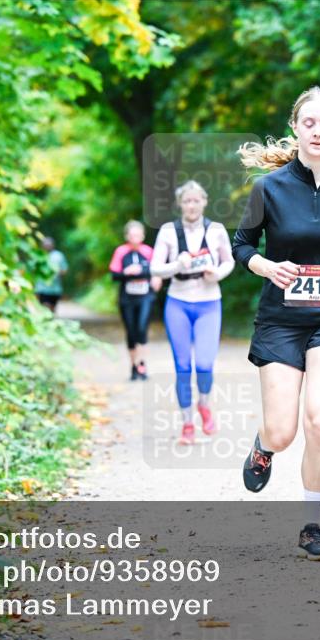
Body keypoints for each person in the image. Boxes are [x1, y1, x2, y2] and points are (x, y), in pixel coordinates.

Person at [232, 86, 320, 561]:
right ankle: (264, 445)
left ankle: (312, 525)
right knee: (284, 431)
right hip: (280, 321)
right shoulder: (267, 189)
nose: (317, 131)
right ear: (296, 127)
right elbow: (242, 245)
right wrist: (268, 267)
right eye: (308, 123)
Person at [149, 180, 235, 445]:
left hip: (209, 302)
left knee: (205, 365)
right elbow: (154, 268)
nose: (191, 205)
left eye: (196, 200)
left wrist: (217, 274)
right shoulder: (168, 231)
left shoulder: (216, 230)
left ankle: (205, 405)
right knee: (183, 368)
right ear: (180, 204)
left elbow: (228, 260)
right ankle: (187, 424)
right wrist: (177, 264)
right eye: (187, 200)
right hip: (178, 302)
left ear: (204, 202)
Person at [109, 220, 162, 380]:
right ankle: (133, 366)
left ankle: (142, 365)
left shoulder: (148, 251)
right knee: (131, 331)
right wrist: (127, 272)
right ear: (127, 236)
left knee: (141, 328)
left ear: (143, 236)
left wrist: (156, 278)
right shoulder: (121, 252)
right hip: (127, 298)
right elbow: (114, 275)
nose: (135, 238)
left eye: (138, 235)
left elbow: (157, 270)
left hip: (145, 296)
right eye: (132, 235)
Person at [34, 237, 68, 313]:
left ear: (53, 245)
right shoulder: (38, 255)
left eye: (49, 245)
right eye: (45, 245)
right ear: (42, 245)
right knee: (45, 307)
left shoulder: (59, 256)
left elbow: (65, 270)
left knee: (52, 309)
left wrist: (58, 273)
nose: (47, 246)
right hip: (42, 289)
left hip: (55, 289)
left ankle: (50, 322)